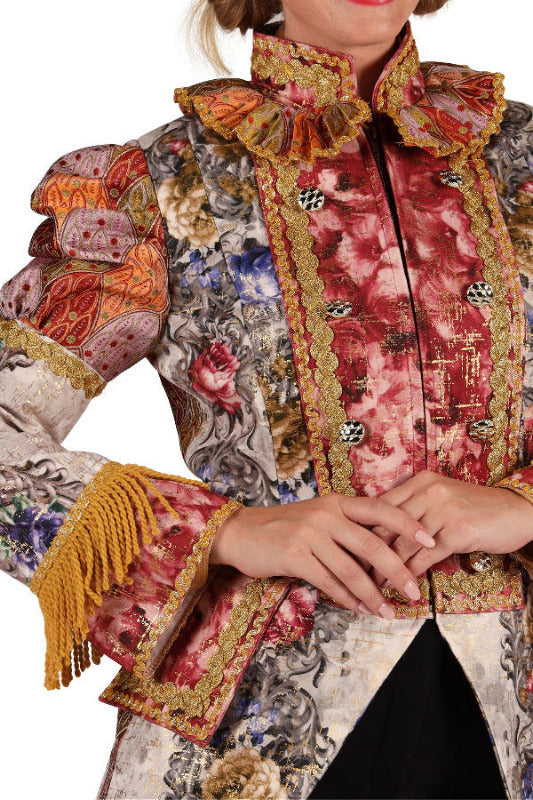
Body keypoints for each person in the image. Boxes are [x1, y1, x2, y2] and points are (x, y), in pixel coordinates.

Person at [2, 0, 533, 797]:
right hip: (249, 727)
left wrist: (523, 504)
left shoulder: (519, 159)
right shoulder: (164, 182)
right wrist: (224, 530)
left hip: (505, 713)